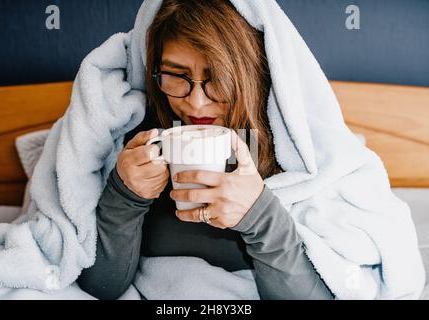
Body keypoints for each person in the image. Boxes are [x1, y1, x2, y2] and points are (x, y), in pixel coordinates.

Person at [77, 0, 335, 300]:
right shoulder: (133, 141)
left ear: (253, 73)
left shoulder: (303, 158)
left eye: (218, 79)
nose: (196, 104)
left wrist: (261, 218)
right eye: (175, 75)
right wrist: (124, 196)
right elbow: (100, 289)